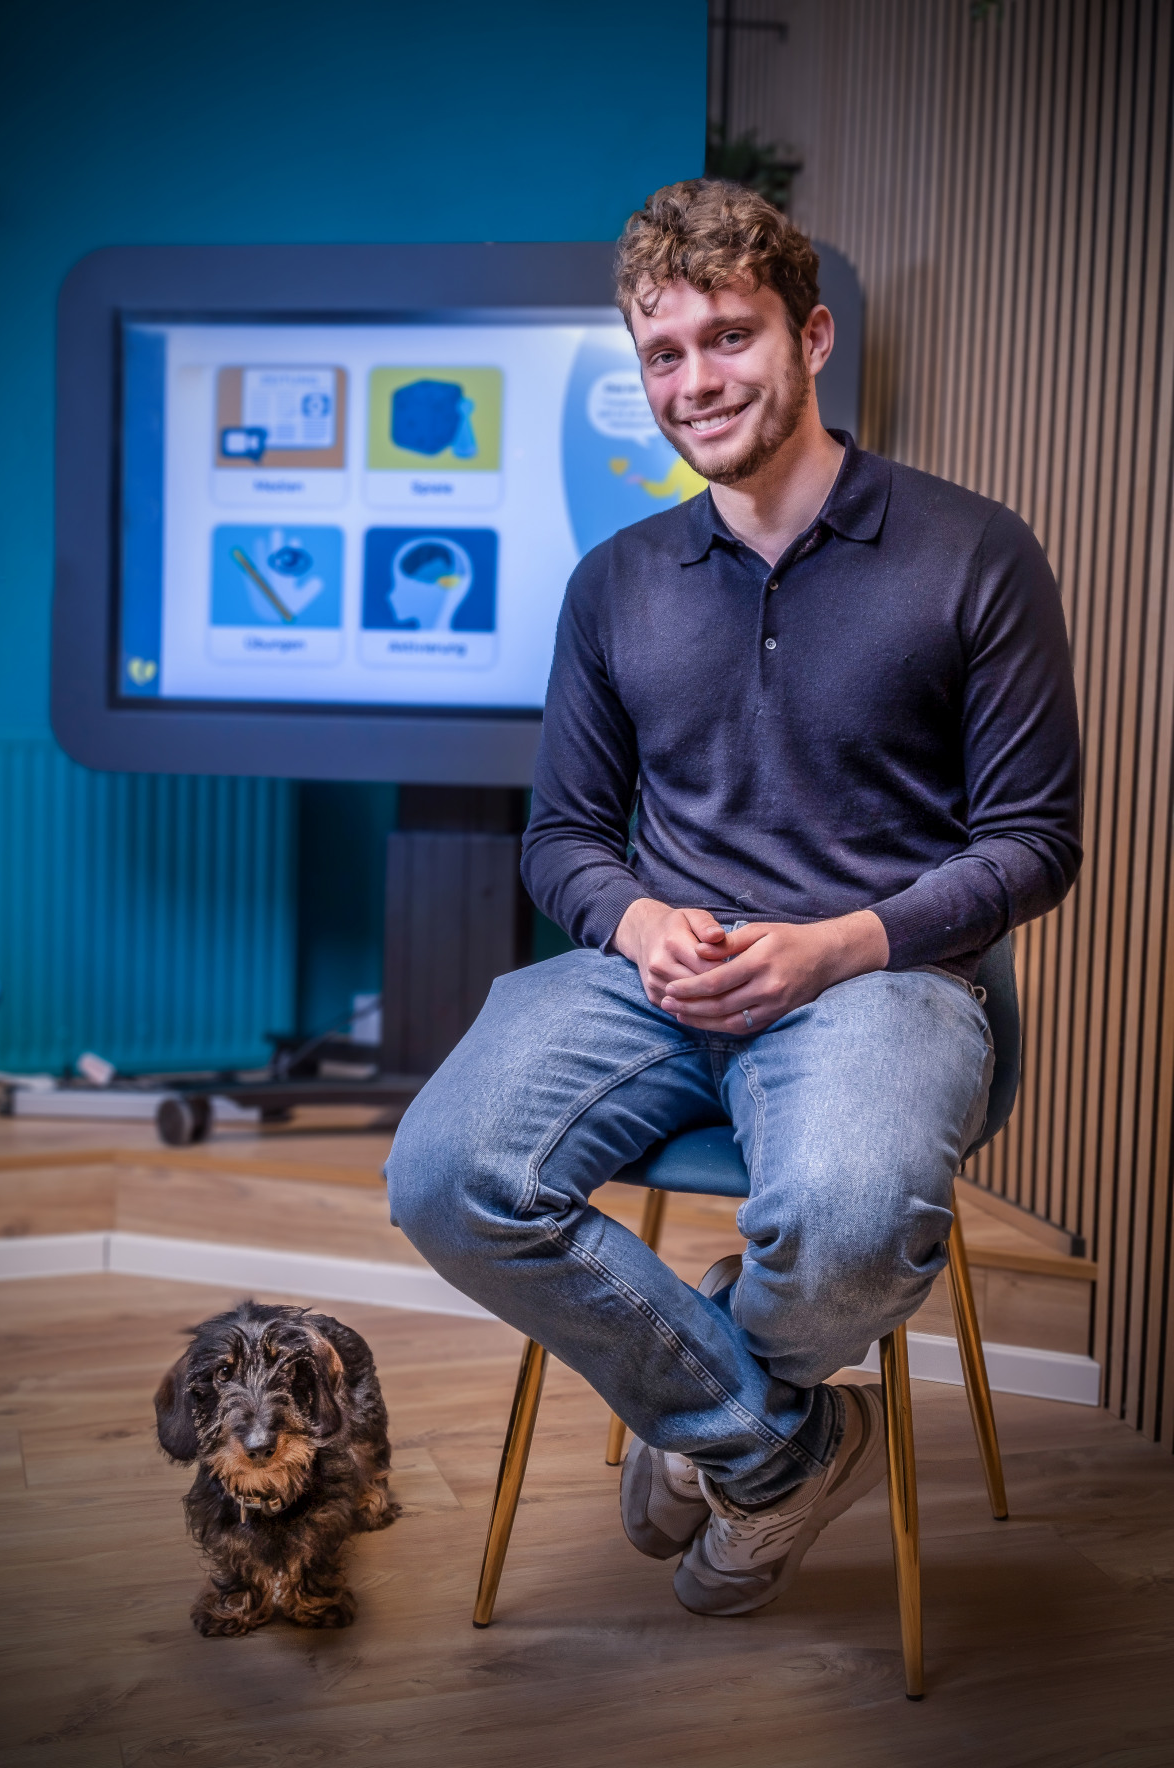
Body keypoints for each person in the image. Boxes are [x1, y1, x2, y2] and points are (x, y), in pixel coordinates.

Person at [386, 180, 1082, 1617]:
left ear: (812, 336)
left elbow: (1035, 842)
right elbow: (566, 836)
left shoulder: (973, 554)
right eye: (663, 353)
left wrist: (834, 944)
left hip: (883, 979)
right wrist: (639, 922)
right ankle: (771, 1441)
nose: (694, 382)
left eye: (729, 337)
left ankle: (701, 1414)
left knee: (842, 1217)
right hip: (654, 977)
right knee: (443, 1179)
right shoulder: (617, 583)